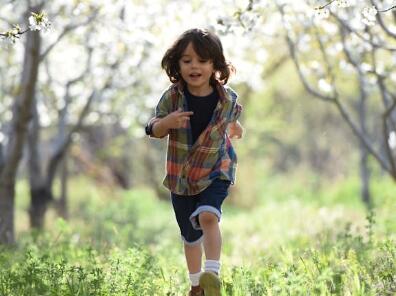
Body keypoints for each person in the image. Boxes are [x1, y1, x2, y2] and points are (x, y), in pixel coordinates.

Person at [145, 28, 243, 296]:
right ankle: (196, 284)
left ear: (215, 65)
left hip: (215, 169)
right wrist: (166, 123)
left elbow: (230, 118)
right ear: (177, 64)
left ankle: (212, 273)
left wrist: (236, 127)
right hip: (182, 177)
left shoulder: (228, 98)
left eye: (202, 60)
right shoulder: (172, 97)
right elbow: (153, 128)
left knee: (208, 216)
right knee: (190, 236)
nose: (194, 66)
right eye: (187, 61)